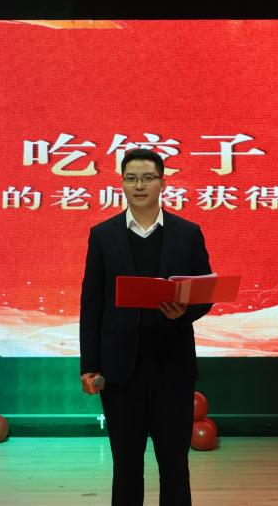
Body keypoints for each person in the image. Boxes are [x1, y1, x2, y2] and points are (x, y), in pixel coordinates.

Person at [79, 148, 214, 506]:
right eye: (131, 178)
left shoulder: (187, 233)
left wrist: (183, 311)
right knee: (126, 467)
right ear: (122, 184)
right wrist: (89, 365)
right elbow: (91, 305)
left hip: (173, 368)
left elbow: (205, 295)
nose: (139, 185)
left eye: (148, 178)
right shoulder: (103, 235)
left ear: (162, 183)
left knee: (174, 465)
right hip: (120, 370)